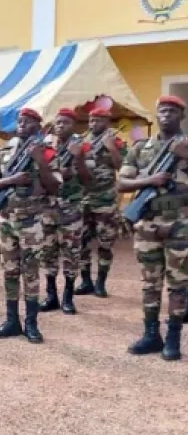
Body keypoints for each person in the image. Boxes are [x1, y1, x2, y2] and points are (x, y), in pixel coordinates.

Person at [0, 108, 61, 344]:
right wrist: (11, 181)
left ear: (38, 126)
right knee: (10, 271)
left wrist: (40, 163)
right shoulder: (4, 152)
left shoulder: (47, 153)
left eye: (28, 121)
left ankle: (32, 324)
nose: (22, 124)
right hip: (7, 221)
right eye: (20, 121)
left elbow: (55, 187)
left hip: (32, 221)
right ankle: (12, 321)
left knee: (32, 272)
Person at [118, 95, 188, 360]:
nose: (166, 115)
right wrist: (151, 179)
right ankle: (151, 335)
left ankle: (173, 339)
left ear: (181, 116)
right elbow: (122, 183)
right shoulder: (141, 148)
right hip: (147, 222)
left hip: (181, 224)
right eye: (162, 111)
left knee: (179, 282)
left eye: (172, 111)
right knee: (150, 282)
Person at [40, 109, 94, 315]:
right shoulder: (46, 145)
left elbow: (88, 178)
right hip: (48, 206)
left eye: (66, 123)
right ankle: (51, 295)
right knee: (48, 251)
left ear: (74, 125)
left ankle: (68, 297)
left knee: (71, 253)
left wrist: (78, 159)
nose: (61, 126)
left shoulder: (83, 146)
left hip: (71, 206)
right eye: (58, 122)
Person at [77, 108, 127, 298]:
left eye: (98, 120)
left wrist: (112, 147)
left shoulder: (116, 140)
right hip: (84, 198)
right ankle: (86, 281)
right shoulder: (82, 139)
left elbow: (122, 166)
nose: (93, 124)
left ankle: (100, 282)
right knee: (81, 241)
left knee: (105, 243)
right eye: (91, 120)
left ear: (107, 121)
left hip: (105, 200)